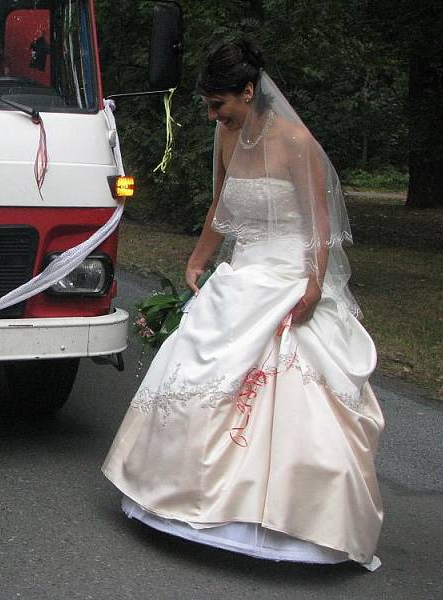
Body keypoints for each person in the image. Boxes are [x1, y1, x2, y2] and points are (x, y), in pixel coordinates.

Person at [103, 40, 384, 570]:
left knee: (292, 388)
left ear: (249, 91)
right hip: (244, 271)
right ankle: (179, 500)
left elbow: (319, 224)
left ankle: (287, 522)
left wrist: (314, 284)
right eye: (209, 107)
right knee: (196, 368)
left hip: (287, 276)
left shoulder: (297, 141)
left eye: (218, 105)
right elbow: (221, 202)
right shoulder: (226, 135)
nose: (213, 116)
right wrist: (199, 257)